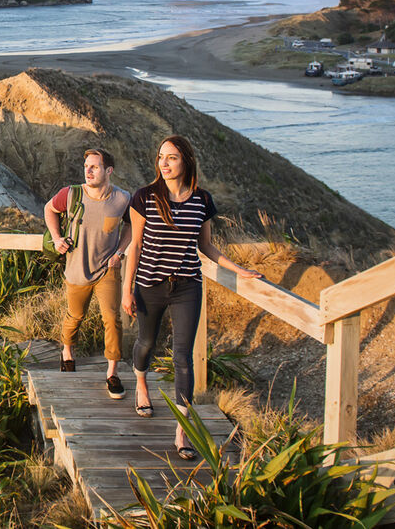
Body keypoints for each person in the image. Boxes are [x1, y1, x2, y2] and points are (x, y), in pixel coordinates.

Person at [121, 135, 261, 459]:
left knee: (183, 357)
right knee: (146, 343)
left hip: (187, 286)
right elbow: (135, 246)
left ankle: (181, 431)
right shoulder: (145, 197)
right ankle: (141, 384)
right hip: (149, 285)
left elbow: (206, 246)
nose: (164, 163)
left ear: (186, 160)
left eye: (172, 157)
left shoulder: (202, 200)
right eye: (161, 157)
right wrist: (127, 290)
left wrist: (239, 270)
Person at [44, 148, 131, 399]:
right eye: (86, 167)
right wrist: (56, 238)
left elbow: (132, 225)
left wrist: (120, 252)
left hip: (108, 269)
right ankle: (67, 353)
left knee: (112, 319)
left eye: (94, 166)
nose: (88, 171)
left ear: (109, 170)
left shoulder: (123, 198)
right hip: (76, 269)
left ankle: (112, 373)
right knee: (75, 316)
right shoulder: (71, 194)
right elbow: (49, 209)